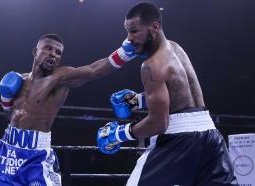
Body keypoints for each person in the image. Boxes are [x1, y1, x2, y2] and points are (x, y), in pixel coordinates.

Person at [96, 2, 238, 185]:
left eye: (134, 31)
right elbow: (179, 96)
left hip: (177, 138)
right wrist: (137, 101)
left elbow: (159, 123)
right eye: (127, 32)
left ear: (155, 27)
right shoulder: (176, 48)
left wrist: (119, 134)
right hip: (210, 135)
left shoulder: (150, 65)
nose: (128, 38)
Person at [0, 34, 144, 186]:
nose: (53, 54)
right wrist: (5, 100)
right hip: (6, 151)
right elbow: (11, 116)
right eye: (48, 49)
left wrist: (126, 52)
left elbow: (94, 70)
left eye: (58, 52)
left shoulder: (60, 78)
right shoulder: (19, 80)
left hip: (35, 156)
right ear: (36, 51)